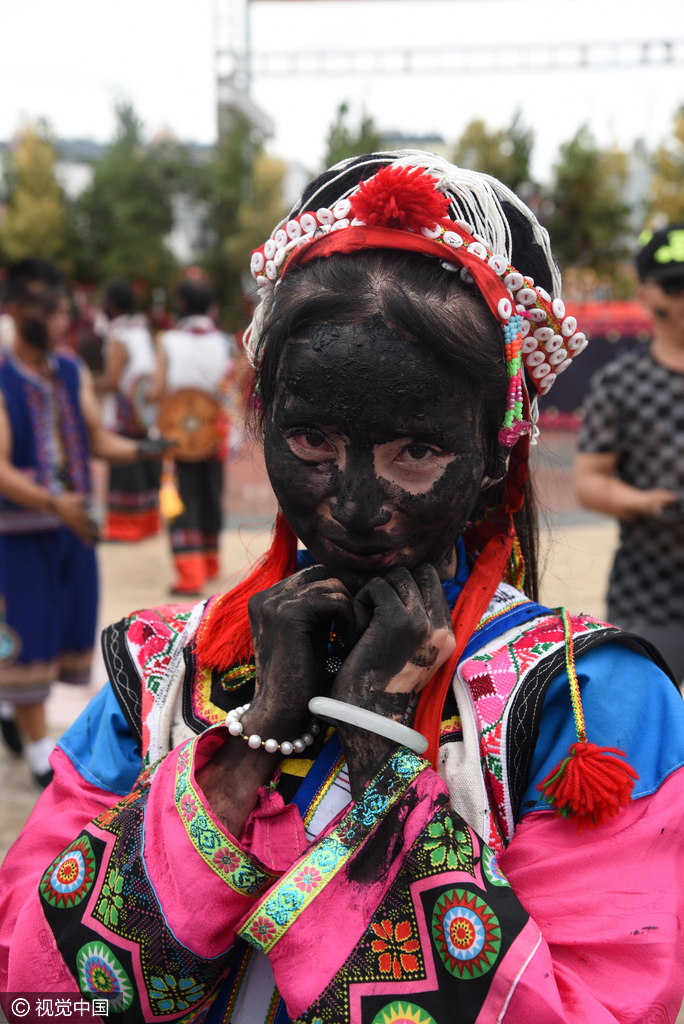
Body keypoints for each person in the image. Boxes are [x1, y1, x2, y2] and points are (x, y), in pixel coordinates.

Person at [2, 157, 684, 1023]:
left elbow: (605, 1006)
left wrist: (374, 746)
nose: (356, 507)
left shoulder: (590, 706)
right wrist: (251, 743)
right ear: (265, 425)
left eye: (417, 452)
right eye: (313, 442)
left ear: (495, 456)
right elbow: (39, 993)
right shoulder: (163, 672)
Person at [0, 259, 167, 787]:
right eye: (51, 312)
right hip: (19, 536)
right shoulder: (2, 375)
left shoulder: (69, 369)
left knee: (64, 634)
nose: (60, 321)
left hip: (71, 529)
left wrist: (148, 446)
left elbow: (97, 438)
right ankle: (34, 750)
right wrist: (56, 504)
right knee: (27, 635)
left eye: (63, 312)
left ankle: (13, 713)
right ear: (21, 311)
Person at [576, 225, 684, 686]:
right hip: (649, 588)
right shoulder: (621, 384)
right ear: (646, 293)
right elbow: (590, 481)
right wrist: (646, 503)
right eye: (676, 286)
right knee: (646, 725)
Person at [156, 278, 235, 594]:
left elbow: (159, 390)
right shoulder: (226, 342)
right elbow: (233, 390)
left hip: (178, 435)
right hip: (213, 433)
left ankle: (190, 574)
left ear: (183, 305)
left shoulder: (167, 341)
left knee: (182, 498)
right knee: (211, 493)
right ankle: (211, 561)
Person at [99, 279, 161, 542]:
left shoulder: (118, 334)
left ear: (111, 304)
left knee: (125, 466)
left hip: (126, 413)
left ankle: (125, 527)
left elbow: (112, 381)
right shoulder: (140, 329)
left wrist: (85, 383)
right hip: (145, 411)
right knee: (144, 463)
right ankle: (147, 523)